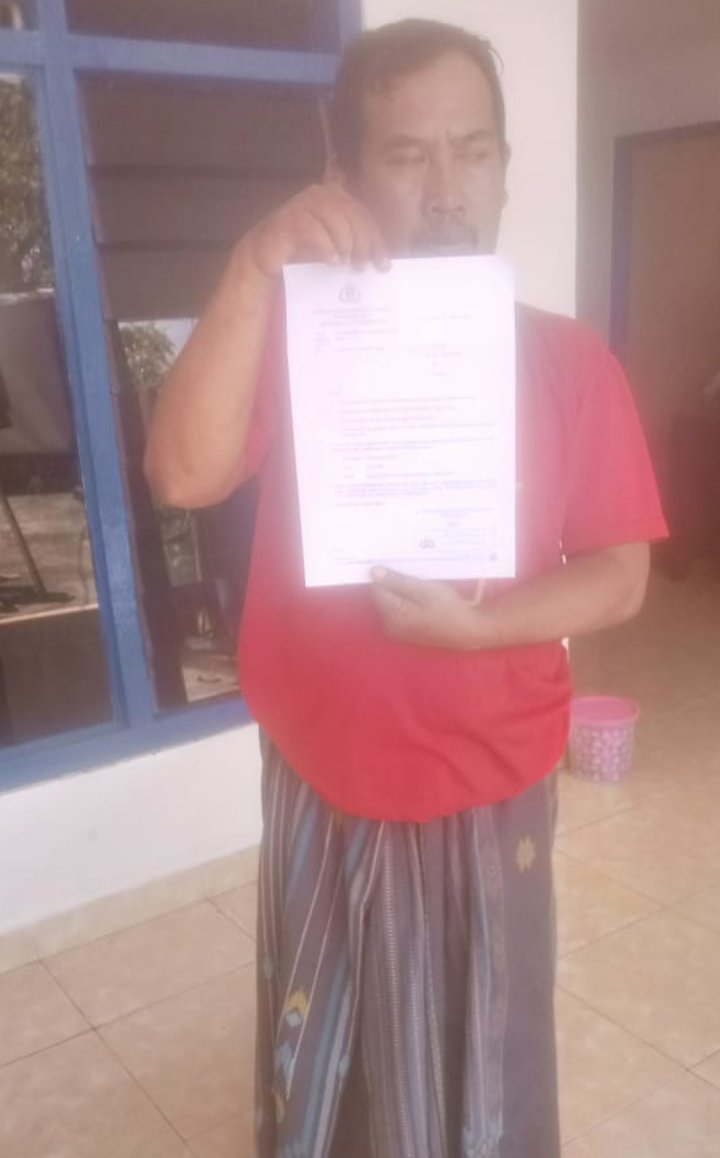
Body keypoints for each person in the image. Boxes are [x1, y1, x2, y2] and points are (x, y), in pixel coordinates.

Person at [144, 19, 667, 1158]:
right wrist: (253, 266)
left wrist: (479, 627)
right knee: (325, 1061)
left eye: (473, 152)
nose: (446, 191)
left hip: (489, 780)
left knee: (484, 1065)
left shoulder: (570, 361)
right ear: (342, 174)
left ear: (505, 169)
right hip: (322, 770)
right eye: (408, 154)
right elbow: (181, 473)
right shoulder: (293, 337)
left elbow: (622, 575)